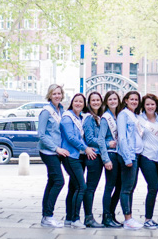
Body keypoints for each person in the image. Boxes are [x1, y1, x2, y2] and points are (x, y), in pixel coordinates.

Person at [61, 93, 97, 228]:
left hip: (79, 157)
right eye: (76, 101)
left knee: (73, 187)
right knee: (82, 186)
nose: (78, 104)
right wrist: (86, 148)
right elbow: (70, 137)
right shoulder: (67, 118)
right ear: (72, 102)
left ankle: (69, 218)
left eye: (81, 102)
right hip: (71, 156)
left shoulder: (80, 118)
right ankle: (75, 219)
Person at [38, 84, 68, 227]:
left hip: (58, 152)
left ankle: (46, 216)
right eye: (54, 93)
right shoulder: (46, 112)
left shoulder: (61, 110)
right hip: (48, 151)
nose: (57, 96)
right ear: (49, 95)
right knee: (59, 181)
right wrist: (56, 148)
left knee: (51, 182)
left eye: (59, 93)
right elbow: (41, 135)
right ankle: (48, 216)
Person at [136, 94, 158, 229]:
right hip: (146, 156)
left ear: (156, 105)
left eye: (152, 104)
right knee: (153, 186)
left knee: (153, 188)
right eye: (147, 104)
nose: (150, 106)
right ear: (144, 106)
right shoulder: (139, 119)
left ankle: (150, 218)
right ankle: (148, 219)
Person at [116, 90, 143, 229]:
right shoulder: (123, 115)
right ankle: (127, 219)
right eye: (131, 99)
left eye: (136, 100)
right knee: (126, 188)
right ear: (126, 100)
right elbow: (122, 137)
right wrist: (127, 157)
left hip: (136, 155)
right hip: (128, 156)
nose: (134, 102)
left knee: (131, 188)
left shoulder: (134, 115)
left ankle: (130, 217)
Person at [98, 91, 123, 228]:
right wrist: (106, 160)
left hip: (118, 155)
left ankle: (111, 214)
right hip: (110, 155)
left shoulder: (117, 116)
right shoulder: (105, 118)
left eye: (115, 99)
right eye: (110, 99)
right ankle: (106, 217)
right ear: (106, 102)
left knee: (119, 187)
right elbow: (101, 139)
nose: (113, 101)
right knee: (110, 187)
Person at [82, 91, 106, 227]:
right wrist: (107, 143)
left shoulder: (99, 116)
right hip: (93, 157)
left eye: (98, 100)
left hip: (99, 155)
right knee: (90, 188)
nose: (96, 102)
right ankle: (88, 217)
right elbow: (90, 139)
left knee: (92, 187)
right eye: (93, 100)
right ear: (89, 103)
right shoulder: (89, 118)